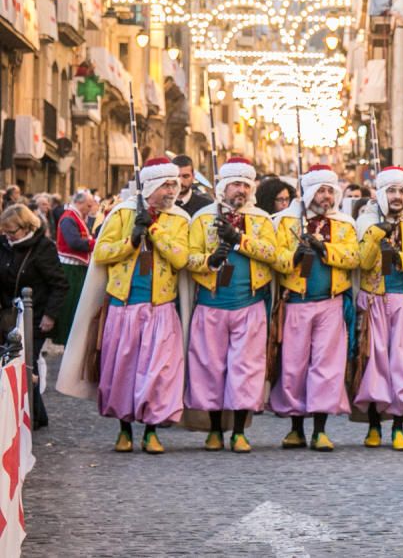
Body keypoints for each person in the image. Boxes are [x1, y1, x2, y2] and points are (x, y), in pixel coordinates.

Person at [82, 158, 190, 453]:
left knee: (158, 371)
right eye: (166, 184)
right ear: (152, 186)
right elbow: (101, 252)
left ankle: (152, 430)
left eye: (174, 184)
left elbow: (181, 257)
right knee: (123, 369)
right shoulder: (122, 213)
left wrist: (154, 232)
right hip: (124, 305)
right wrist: (131, 240)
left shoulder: (179, 219)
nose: (171, 190)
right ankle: (124, 429)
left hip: (161, 307)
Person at [186, 157, 277, 453]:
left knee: (245, 369)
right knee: (210, 368)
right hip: (211, 304)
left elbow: (272, 254)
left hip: (248, 304)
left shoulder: (262, 220)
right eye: (235, 184)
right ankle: (214, 429)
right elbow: (189, 257)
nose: (240, 190)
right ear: (223, 187)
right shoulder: (202, 218)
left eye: (245, 185)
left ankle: (239, 430)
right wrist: (209, 260)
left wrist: (239, 239)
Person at [271, 165, 359, 451]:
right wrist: (296, 254)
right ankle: (295, 427)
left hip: (330, 303)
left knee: (327, 366)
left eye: (329, 191)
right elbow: (276, 258)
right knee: (294, 365)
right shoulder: (287, 223)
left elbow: (353, 257)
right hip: (297, 301)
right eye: (320, 191)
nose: (325, 197)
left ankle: (320, 429)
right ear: (309, 192)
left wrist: (324, 250)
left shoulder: (344, 224)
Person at [354, 166, 403, 450]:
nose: (397, 197)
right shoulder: (365, 223)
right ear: (382, 193)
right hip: (375, 297)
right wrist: (375, 236)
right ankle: (374, 424)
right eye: (391, 191)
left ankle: (398, 425)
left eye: (401, 191)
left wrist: (399, 258)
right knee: (376, 359)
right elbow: (361, 261)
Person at [0, 204, 68, 428]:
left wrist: (50, 315)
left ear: (26, 226)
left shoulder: (42, 248)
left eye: (12, 232)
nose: (8, 236)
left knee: (28, 363)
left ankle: (33, 416)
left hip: (34, 315)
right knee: (10, 363)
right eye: (5, 232)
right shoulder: (4, 245)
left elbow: (59, 284)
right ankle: (30, 413)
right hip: (7, 314)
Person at [54, 191, 97, 347]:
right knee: (71, 304)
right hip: (70, 268)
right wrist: (95, 243)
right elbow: (74, 242)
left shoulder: (74, 216)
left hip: (77, 268)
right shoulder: (68, 219)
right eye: (88, 205)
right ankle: (67, 339)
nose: (90, 208)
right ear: (79, 203)